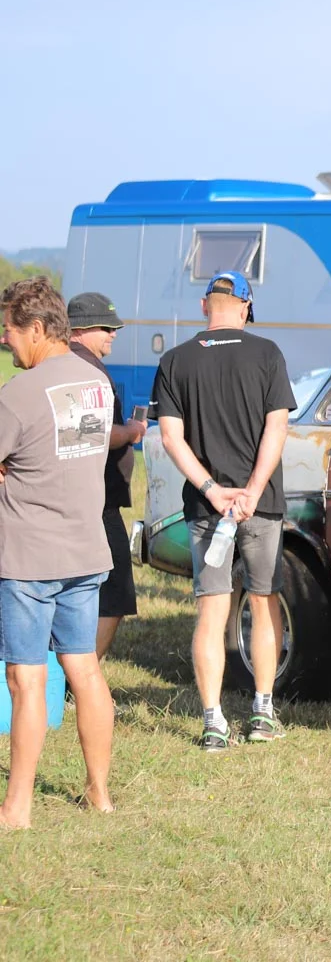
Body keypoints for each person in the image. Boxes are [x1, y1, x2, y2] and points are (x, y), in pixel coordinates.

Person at [150, 271, 297, 751]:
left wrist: (212, 490)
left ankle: (213, 722)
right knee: (263, 602)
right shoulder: (268, 354)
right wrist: (251, 490)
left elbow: (171, 438)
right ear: (246, 308)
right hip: (260, 505)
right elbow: (277, 429)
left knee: (211, 611)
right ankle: (262, 713)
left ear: (203, 306)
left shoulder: (175, 360)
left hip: (206, 507)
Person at [0, 277, 116, 826]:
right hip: (86, 551)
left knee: (26, 680)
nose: (6, 339)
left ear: (38, 329)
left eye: (10, 329)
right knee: (85, 670)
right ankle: (100, 793)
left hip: (29, 558)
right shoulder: (97, 383)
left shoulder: (18, 393)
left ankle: (17, 806)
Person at [67, 292, 148, 656]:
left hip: (76, 498)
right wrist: (131, 431)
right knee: (115, 595)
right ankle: (80, 676)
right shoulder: (89, 370)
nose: (113, 334)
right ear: (80, 329)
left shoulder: (64, 364)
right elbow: (93, 434)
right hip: (97, 502)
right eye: (106, 327)